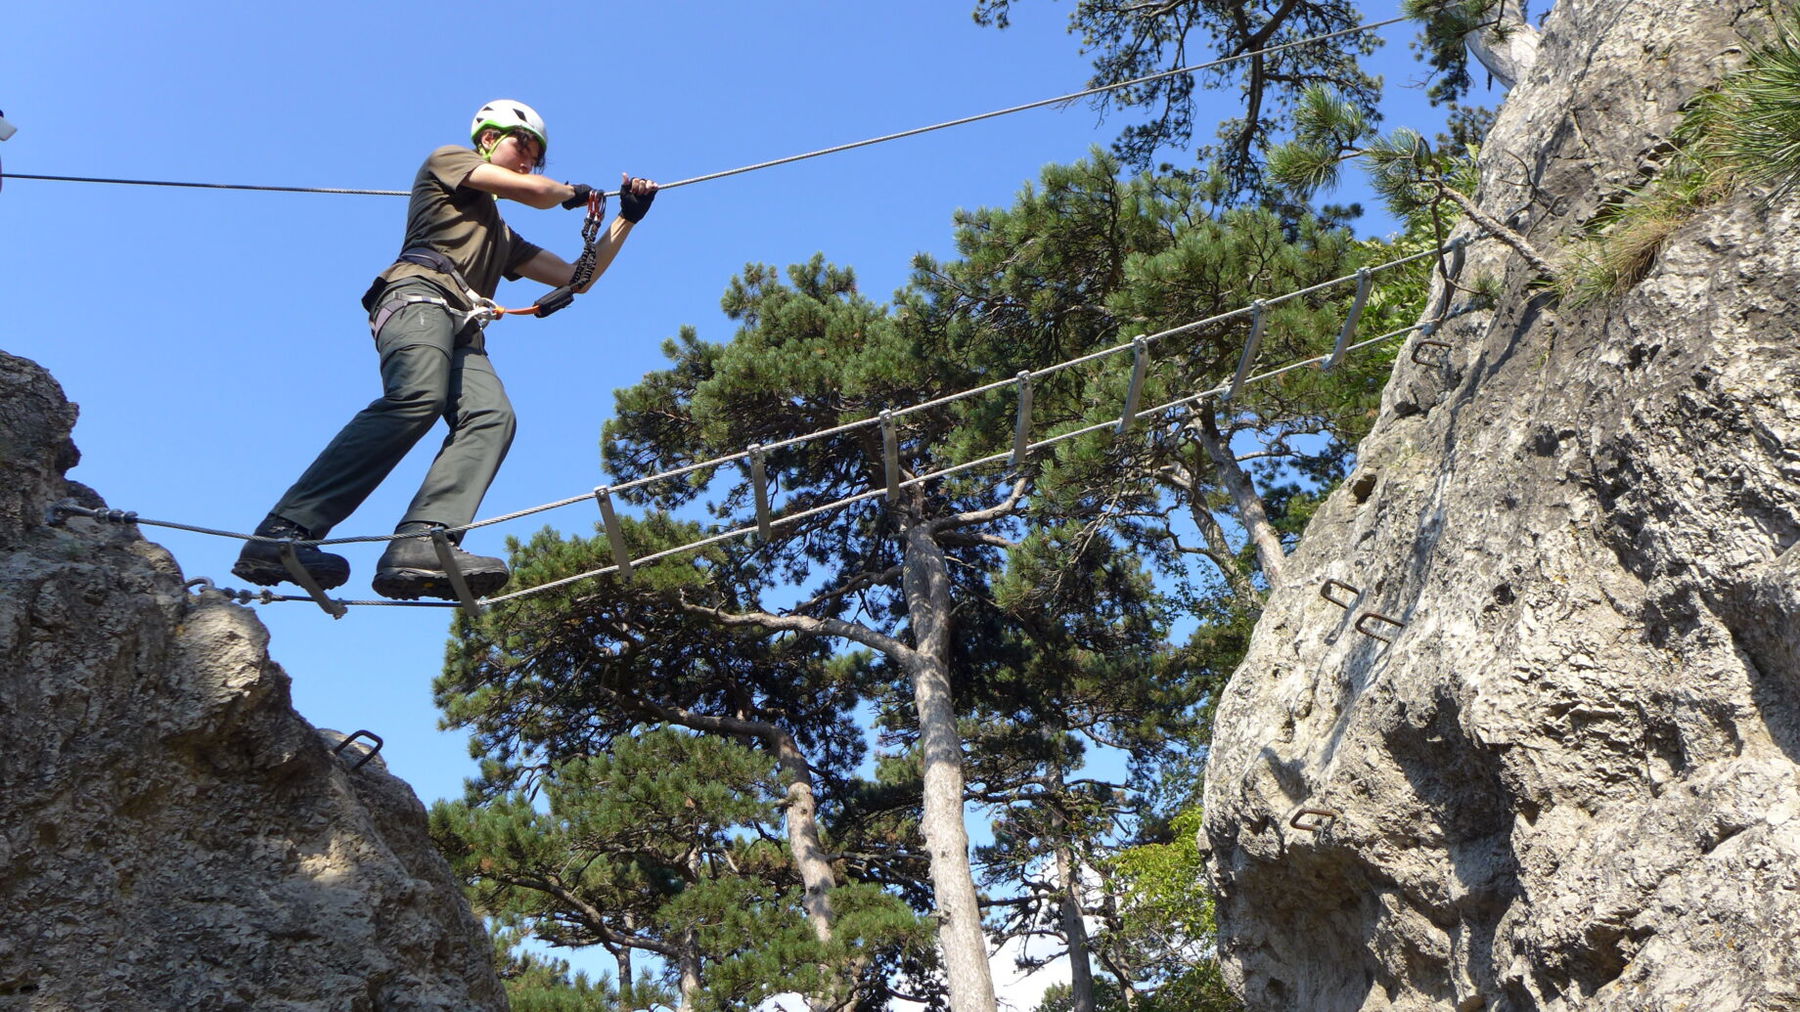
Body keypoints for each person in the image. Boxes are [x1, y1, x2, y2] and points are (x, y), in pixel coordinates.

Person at [231, 99, 658, 601]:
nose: (528, 160)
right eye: (522, 146)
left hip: (463, 327)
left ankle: (422, 543)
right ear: (487, 140)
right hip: (418, 296)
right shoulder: (448, 160)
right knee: (417, 397)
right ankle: (284, 531)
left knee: (492, 416)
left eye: (535, 155)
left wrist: (627, 219)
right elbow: (541, 193)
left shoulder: (501, 234)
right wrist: (570, 192)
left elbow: (574, 278)